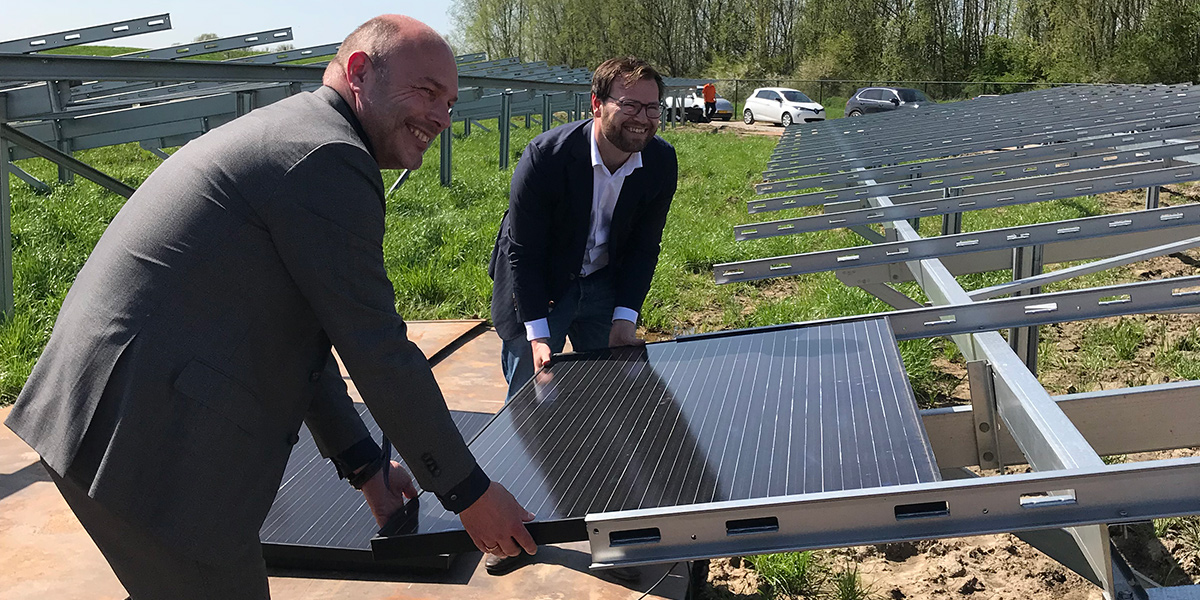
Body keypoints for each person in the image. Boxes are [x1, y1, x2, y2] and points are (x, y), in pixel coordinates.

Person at [4, 15, 535, 599]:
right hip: (150, 441)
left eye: (451, 103)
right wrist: (468, 492)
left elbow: (306, 334)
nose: (441, 115)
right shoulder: (326, 157)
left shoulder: (303, 135)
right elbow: (378, 350)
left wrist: (364, 466)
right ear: (359, 72)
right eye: (427, 91)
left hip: (115, 415)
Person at [487, 55, 678, 574]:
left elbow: (644, 248)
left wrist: (624, 317)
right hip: (540, 284)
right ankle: (511, 531)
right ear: (597, 104)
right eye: (630, 103)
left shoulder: (660, 162)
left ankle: (612, 527)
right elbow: (523, 252)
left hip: (603, 284)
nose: (642, 117)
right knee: (528, 403)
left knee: (607, 399)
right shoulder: (548, 156)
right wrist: (537, 333)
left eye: (652, 107)